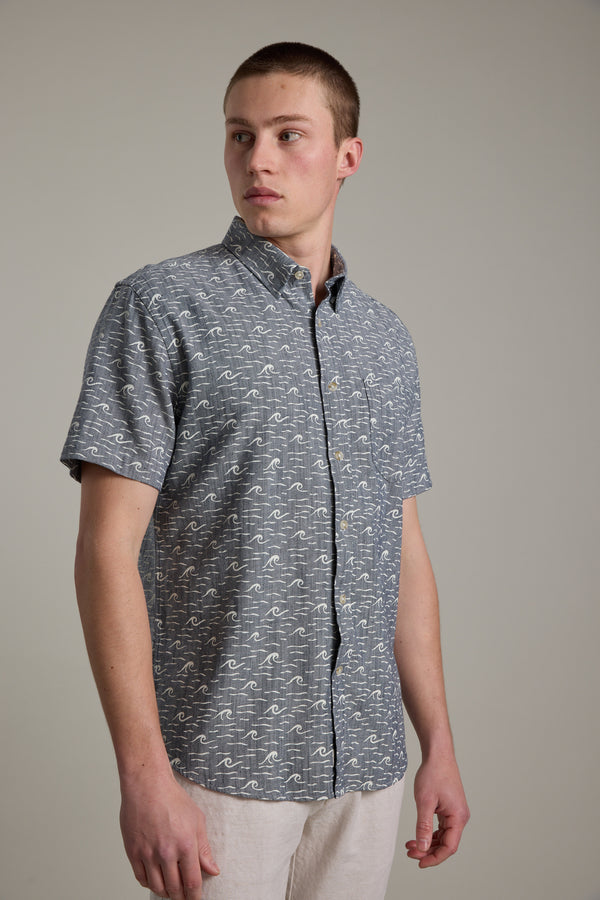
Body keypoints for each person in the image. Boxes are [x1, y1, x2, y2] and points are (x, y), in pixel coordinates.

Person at [61, 41, 469, 900]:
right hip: (216, 768)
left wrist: (438, 745)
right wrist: (143, 775)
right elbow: (106, 549)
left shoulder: (385, 341)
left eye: (289, 135)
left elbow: (404, 555)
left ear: (347, 156)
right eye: (240, 136)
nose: (259, 160)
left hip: (365, 765)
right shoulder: (160, 307)